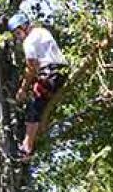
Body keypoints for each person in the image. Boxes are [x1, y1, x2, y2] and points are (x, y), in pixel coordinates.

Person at [7, 12, 68, 159]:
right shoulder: (42, 31)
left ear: (24, 27)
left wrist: (22, 89)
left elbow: (31, 68)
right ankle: (33, 132)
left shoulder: (29, 41)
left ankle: (26, 149)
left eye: (18, 32)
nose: (18, 37)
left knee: (33, 106)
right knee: (39, 105)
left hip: (50, 73)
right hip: (60, 72)